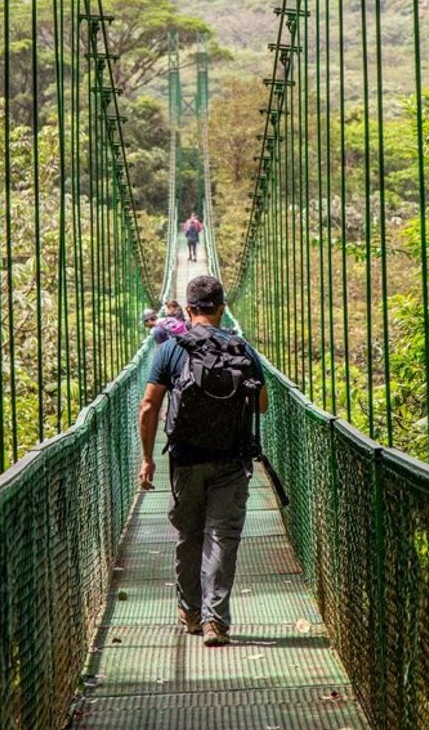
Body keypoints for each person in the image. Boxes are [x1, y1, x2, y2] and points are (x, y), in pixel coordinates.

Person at [138, 274, 268, 647]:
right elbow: (261, 404)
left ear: (189, 309)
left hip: (185, 459)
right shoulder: (242, 348)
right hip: (231, 458)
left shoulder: (170, 348)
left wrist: (148, 459)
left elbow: (149, 406)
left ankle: (191, 612)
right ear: (223, 309)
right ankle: (217, 622)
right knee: (222, 538)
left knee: (189, 535)